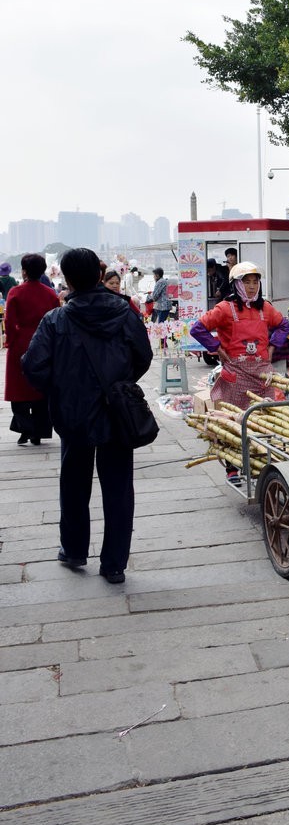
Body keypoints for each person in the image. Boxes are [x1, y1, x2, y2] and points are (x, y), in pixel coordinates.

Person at [22, 247, 153, 584]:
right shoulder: (125, 312)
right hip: (117, 413)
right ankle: (114, 564)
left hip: (73, 412)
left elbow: (34, 367)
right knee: (119, 488)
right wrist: (120, 385)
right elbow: (143, 356)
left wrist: (62, 385)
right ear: (99, 274)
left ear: (65, 278)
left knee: (74, 484)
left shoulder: (56, 319)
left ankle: (75, 549)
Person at [189, 262, 284, 481]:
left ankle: (260, 464)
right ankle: (232, 466)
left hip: (262, 375)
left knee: (263, 419)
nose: (252, 287)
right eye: (246, 282)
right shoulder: (225, 308)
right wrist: (216, 348)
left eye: (255, 282)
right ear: (236, 284)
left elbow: (284, 326)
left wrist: (272, 346)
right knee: (234, 421)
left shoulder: (265, 308)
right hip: (236, 374)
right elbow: (198, 328)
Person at [3, 253, 60, 444]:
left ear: (24, 271)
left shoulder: (15, 292)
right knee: (40, 390)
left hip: (20, 343)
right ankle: (39, 431)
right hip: (44, 343)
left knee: (18, 391)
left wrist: (9, 341)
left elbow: (9, 322)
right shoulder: (50, 293)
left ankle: (25, 428)